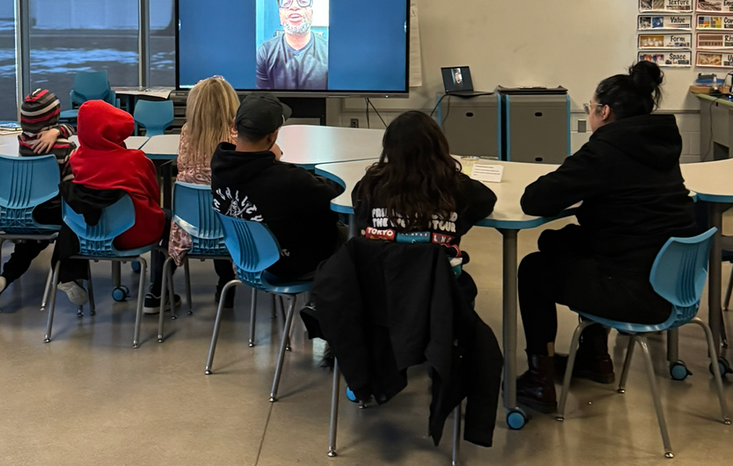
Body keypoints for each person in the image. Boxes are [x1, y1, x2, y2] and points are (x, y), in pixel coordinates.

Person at [515, 61, 697, 414]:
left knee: (534, 269)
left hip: (634, 290)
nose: (590, 115)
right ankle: (595, 357)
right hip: (671, 281)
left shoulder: (605, 150)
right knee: (563, 240)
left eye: (591, 108)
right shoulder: (660, 143)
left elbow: (535, 199)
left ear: (604, 111)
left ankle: (539, 381)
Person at [351, 110, 496, 295]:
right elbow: (486, 201)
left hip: (381, 287)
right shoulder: (457, 186)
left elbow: (359, 211)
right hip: (439, 290)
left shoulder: (372, 184)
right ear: (438, 146)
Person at [55, 100, 176, 311]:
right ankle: (158, 289)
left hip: (88, 234)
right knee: (172, 220)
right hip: (134, 234)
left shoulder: (76, 160)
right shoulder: (136, 160)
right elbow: (153, 198)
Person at [211, 93, 343, 280]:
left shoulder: (219, 167)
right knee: (352, 235)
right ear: (273, 135)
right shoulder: (288, 180)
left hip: (246, 257)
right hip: (289, 264)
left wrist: (269, 160)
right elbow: (333, 194)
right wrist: (274, 161)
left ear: (234, 125)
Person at [0, 89, 77, 303]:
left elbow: (65, 128)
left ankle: (6, 276)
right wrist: (60, 131)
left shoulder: (22, 142)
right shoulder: (64, 148)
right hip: (54, 212)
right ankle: (66, 276)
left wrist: (58, 130)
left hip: (24, 213)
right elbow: (72, 187)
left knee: (30, 243)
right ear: (54, 116)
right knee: (73, 222)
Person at [168, 76, 239, 308]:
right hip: (233, 230)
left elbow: (182, 166)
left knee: (164, 217)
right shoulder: (240, 136)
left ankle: (157, 292)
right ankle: (227, 285)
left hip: (189, 229)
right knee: (223, 212)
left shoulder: (188, 132)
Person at [256, 0, 328, 90]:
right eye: (286, 4)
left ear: (311, 14)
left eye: (302, 2)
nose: (294, 7)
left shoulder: (329, 52)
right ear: (280, 17)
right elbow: (261, 99)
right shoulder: (264, 53)